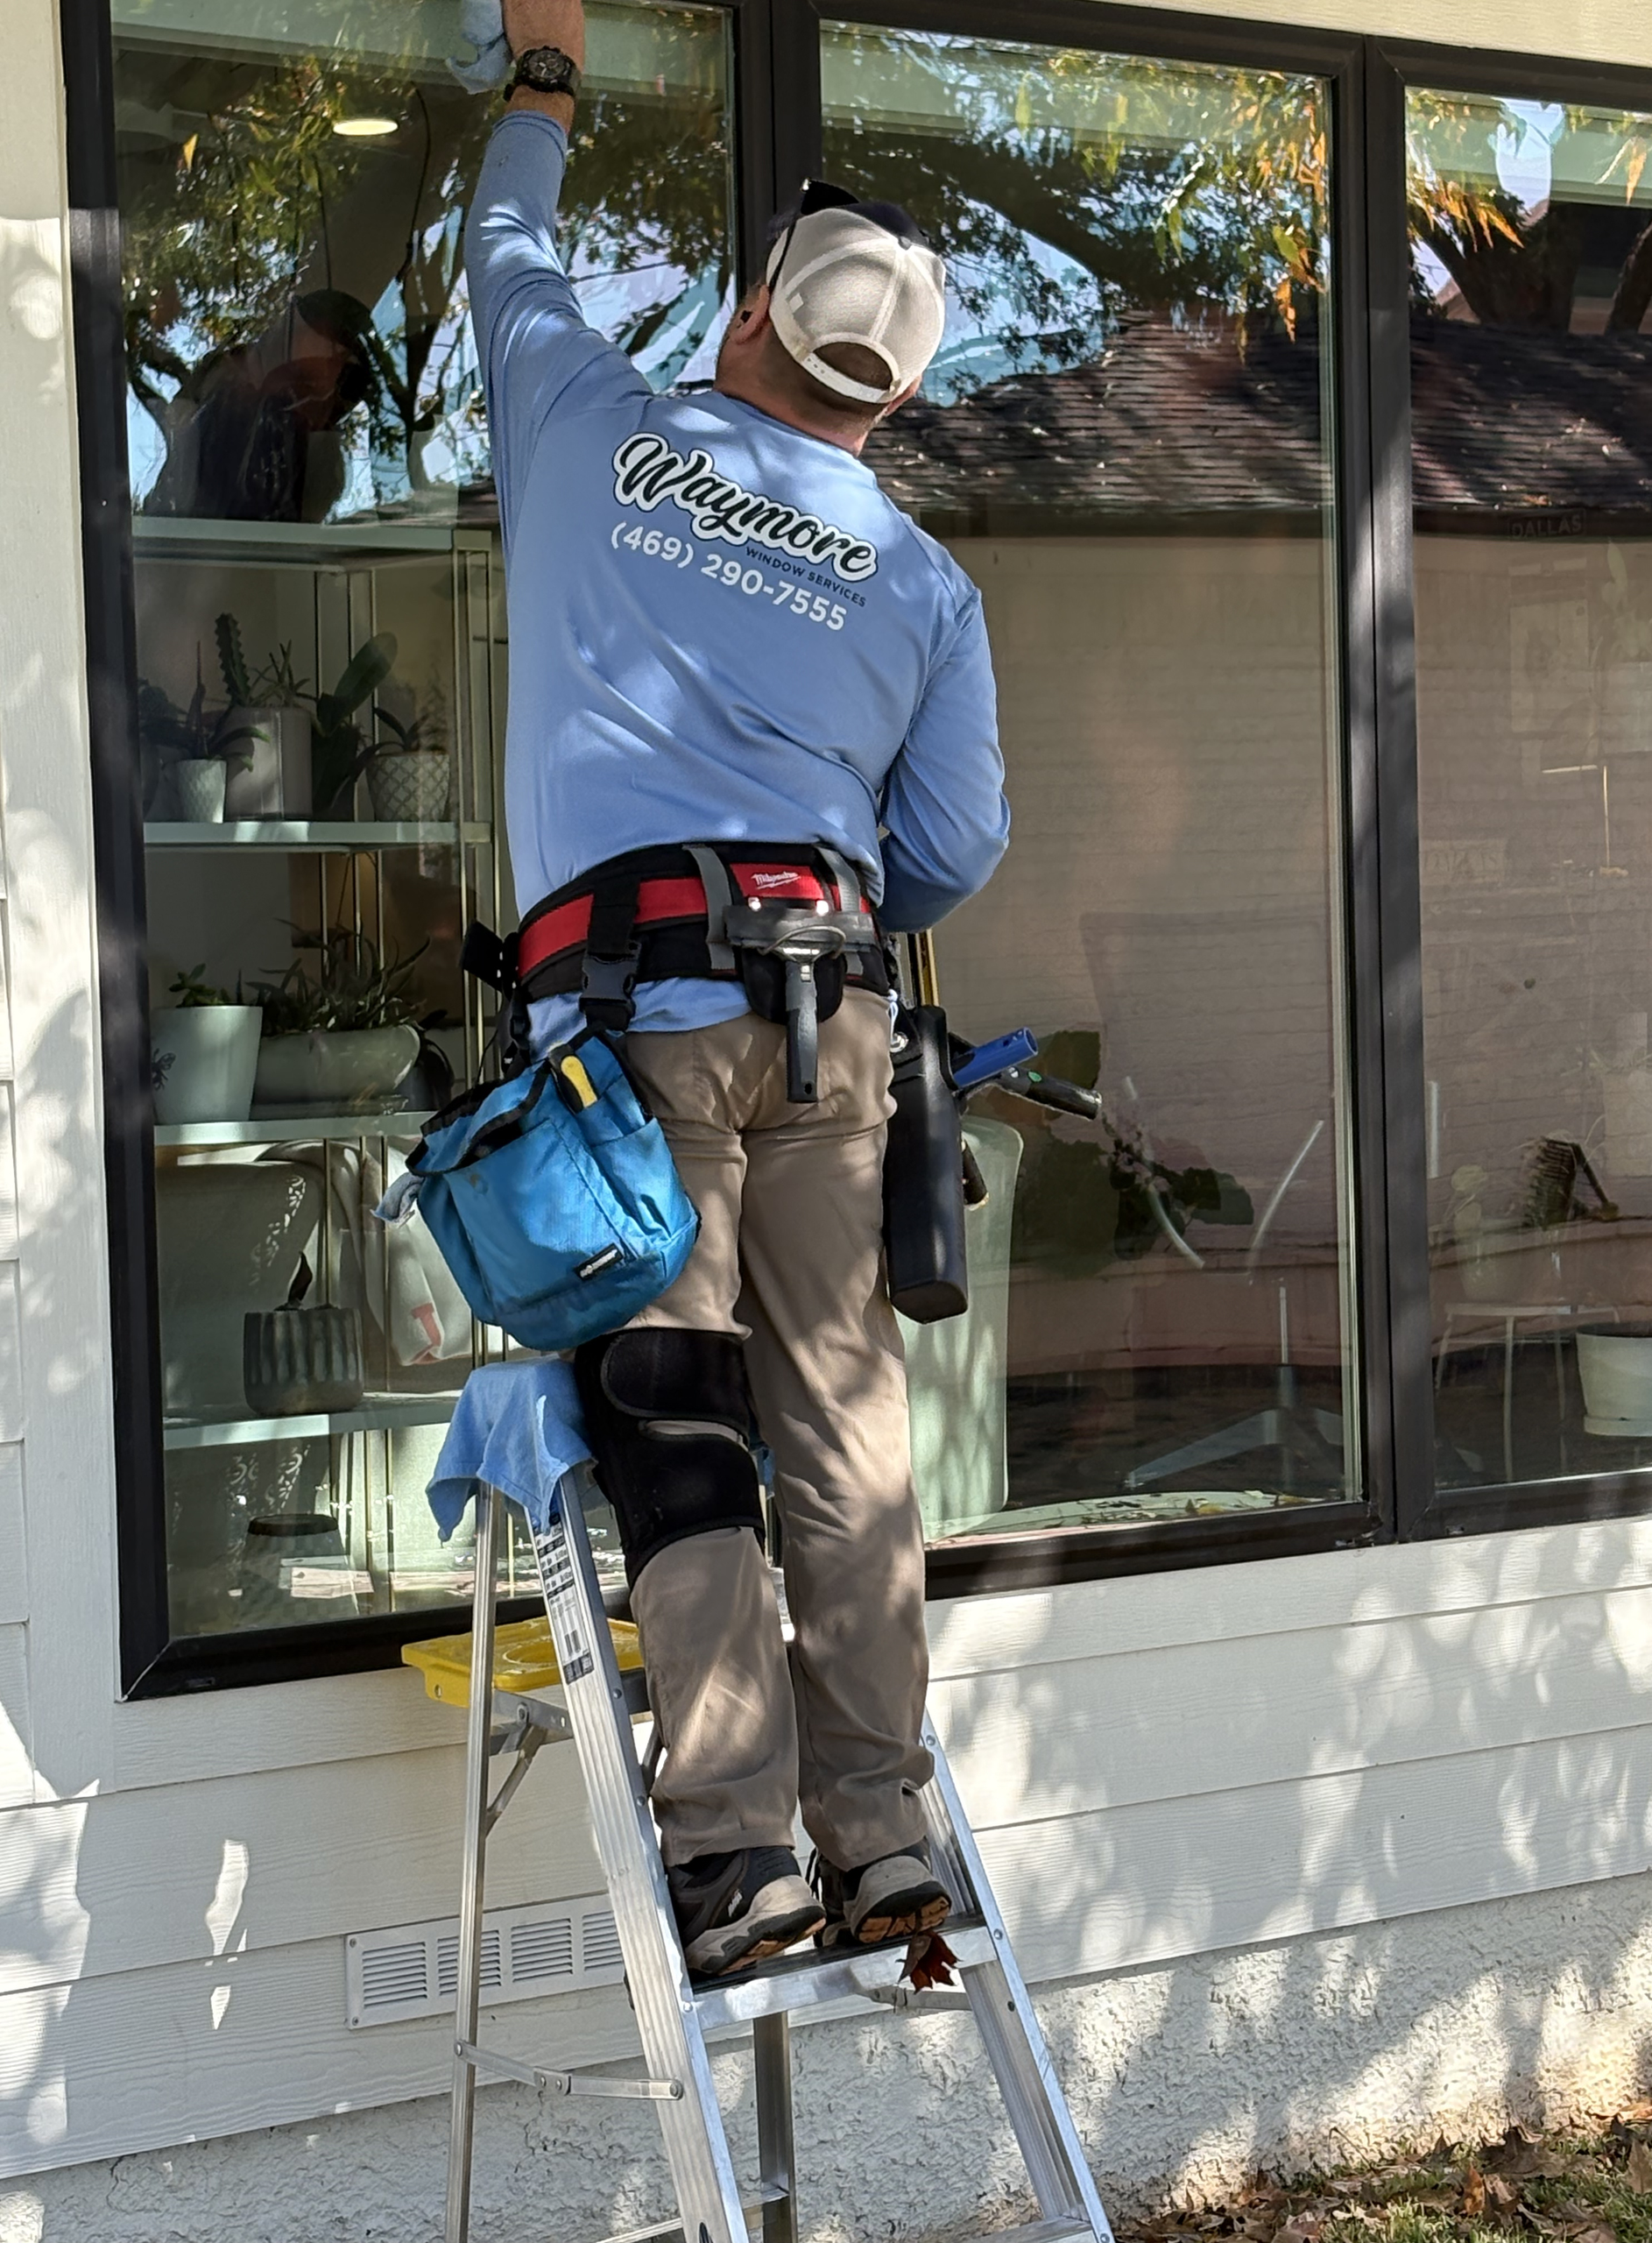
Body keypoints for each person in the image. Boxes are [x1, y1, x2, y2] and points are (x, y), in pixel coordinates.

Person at [466, 0, 1009, 1979]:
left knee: (681, 1415)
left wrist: (540, 80)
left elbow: (506, 252)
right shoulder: (924, 585)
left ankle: (738, 1855)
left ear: (749, 319)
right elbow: (948, 852)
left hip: (635, 1029)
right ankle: (878, 1828)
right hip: (831, 1014)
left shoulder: (597, 428)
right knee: (847, 1420)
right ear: (889, 392)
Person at [145, 289, 377, 523]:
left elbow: (315, 507)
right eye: (329, 341)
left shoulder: (316, 433)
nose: (333, 363)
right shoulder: (218, 390)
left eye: (343, 354)